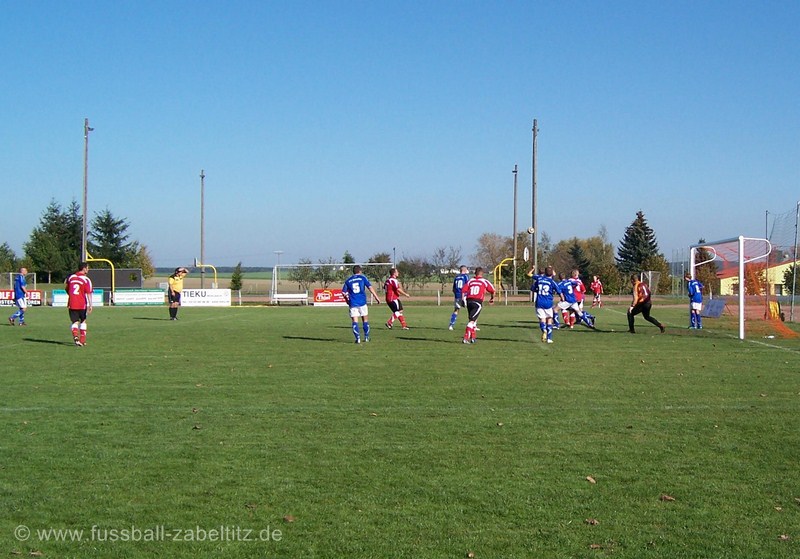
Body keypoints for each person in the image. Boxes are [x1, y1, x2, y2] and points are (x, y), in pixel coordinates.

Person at [342, 265, 382, 344]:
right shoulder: (363, 278)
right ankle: (366, 337)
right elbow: (370, 287)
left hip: (353, 303)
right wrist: (376, 297)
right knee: (365, 320)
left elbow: (343, 292)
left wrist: (347, 300)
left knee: (355, 321)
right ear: (360, 271)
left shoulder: (348, 281)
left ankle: (358, 339)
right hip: (362, 303)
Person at [461, 267, 495, 344]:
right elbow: (493, 290)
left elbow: (463, 290)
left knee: (473, 320)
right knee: (472, 321)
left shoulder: (471, 281)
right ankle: (466, 338)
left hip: (469, 301)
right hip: (477, 302)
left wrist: (463, 299)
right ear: (482, 274)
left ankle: (473, 338)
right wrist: (492, 298)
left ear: (474, 273)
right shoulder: (484, 281)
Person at [66, 262, 93, 346]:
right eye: (87, 268)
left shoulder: (71, 277)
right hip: (82, 304)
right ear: (84, 268)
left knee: (74, 321)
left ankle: (75, 337)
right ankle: (82, 340)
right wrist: (90, 305)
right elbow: (89, 293)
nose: (88, 269)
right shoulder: (86, 279)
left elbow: (67, 289)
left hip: (72, 303)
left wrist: (72, 296)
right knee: (83, 321)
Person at [531, 266, 561, 343]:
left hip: (539, 302)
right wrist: (562, 298)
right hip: (548, 303)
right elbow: (559, 291)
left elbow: (533, 288)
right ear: (552, 273)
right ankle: (549, 338)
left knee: (542, 319)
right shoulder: (552, 282)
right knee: (549, 319)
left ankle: (544, 330)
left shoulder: (539, 279)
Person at [449, 266, 470, 330]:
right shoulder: (466, 276)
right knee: (471, 309)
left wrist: (456, 294)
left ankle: (451, 325)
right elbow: (468, 285)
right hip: (464, 295)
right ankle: (473, 325)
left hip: (457, 295)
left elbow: (453, 288)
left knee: (456, 310)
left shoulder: (456, 277)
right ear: (465, 270)